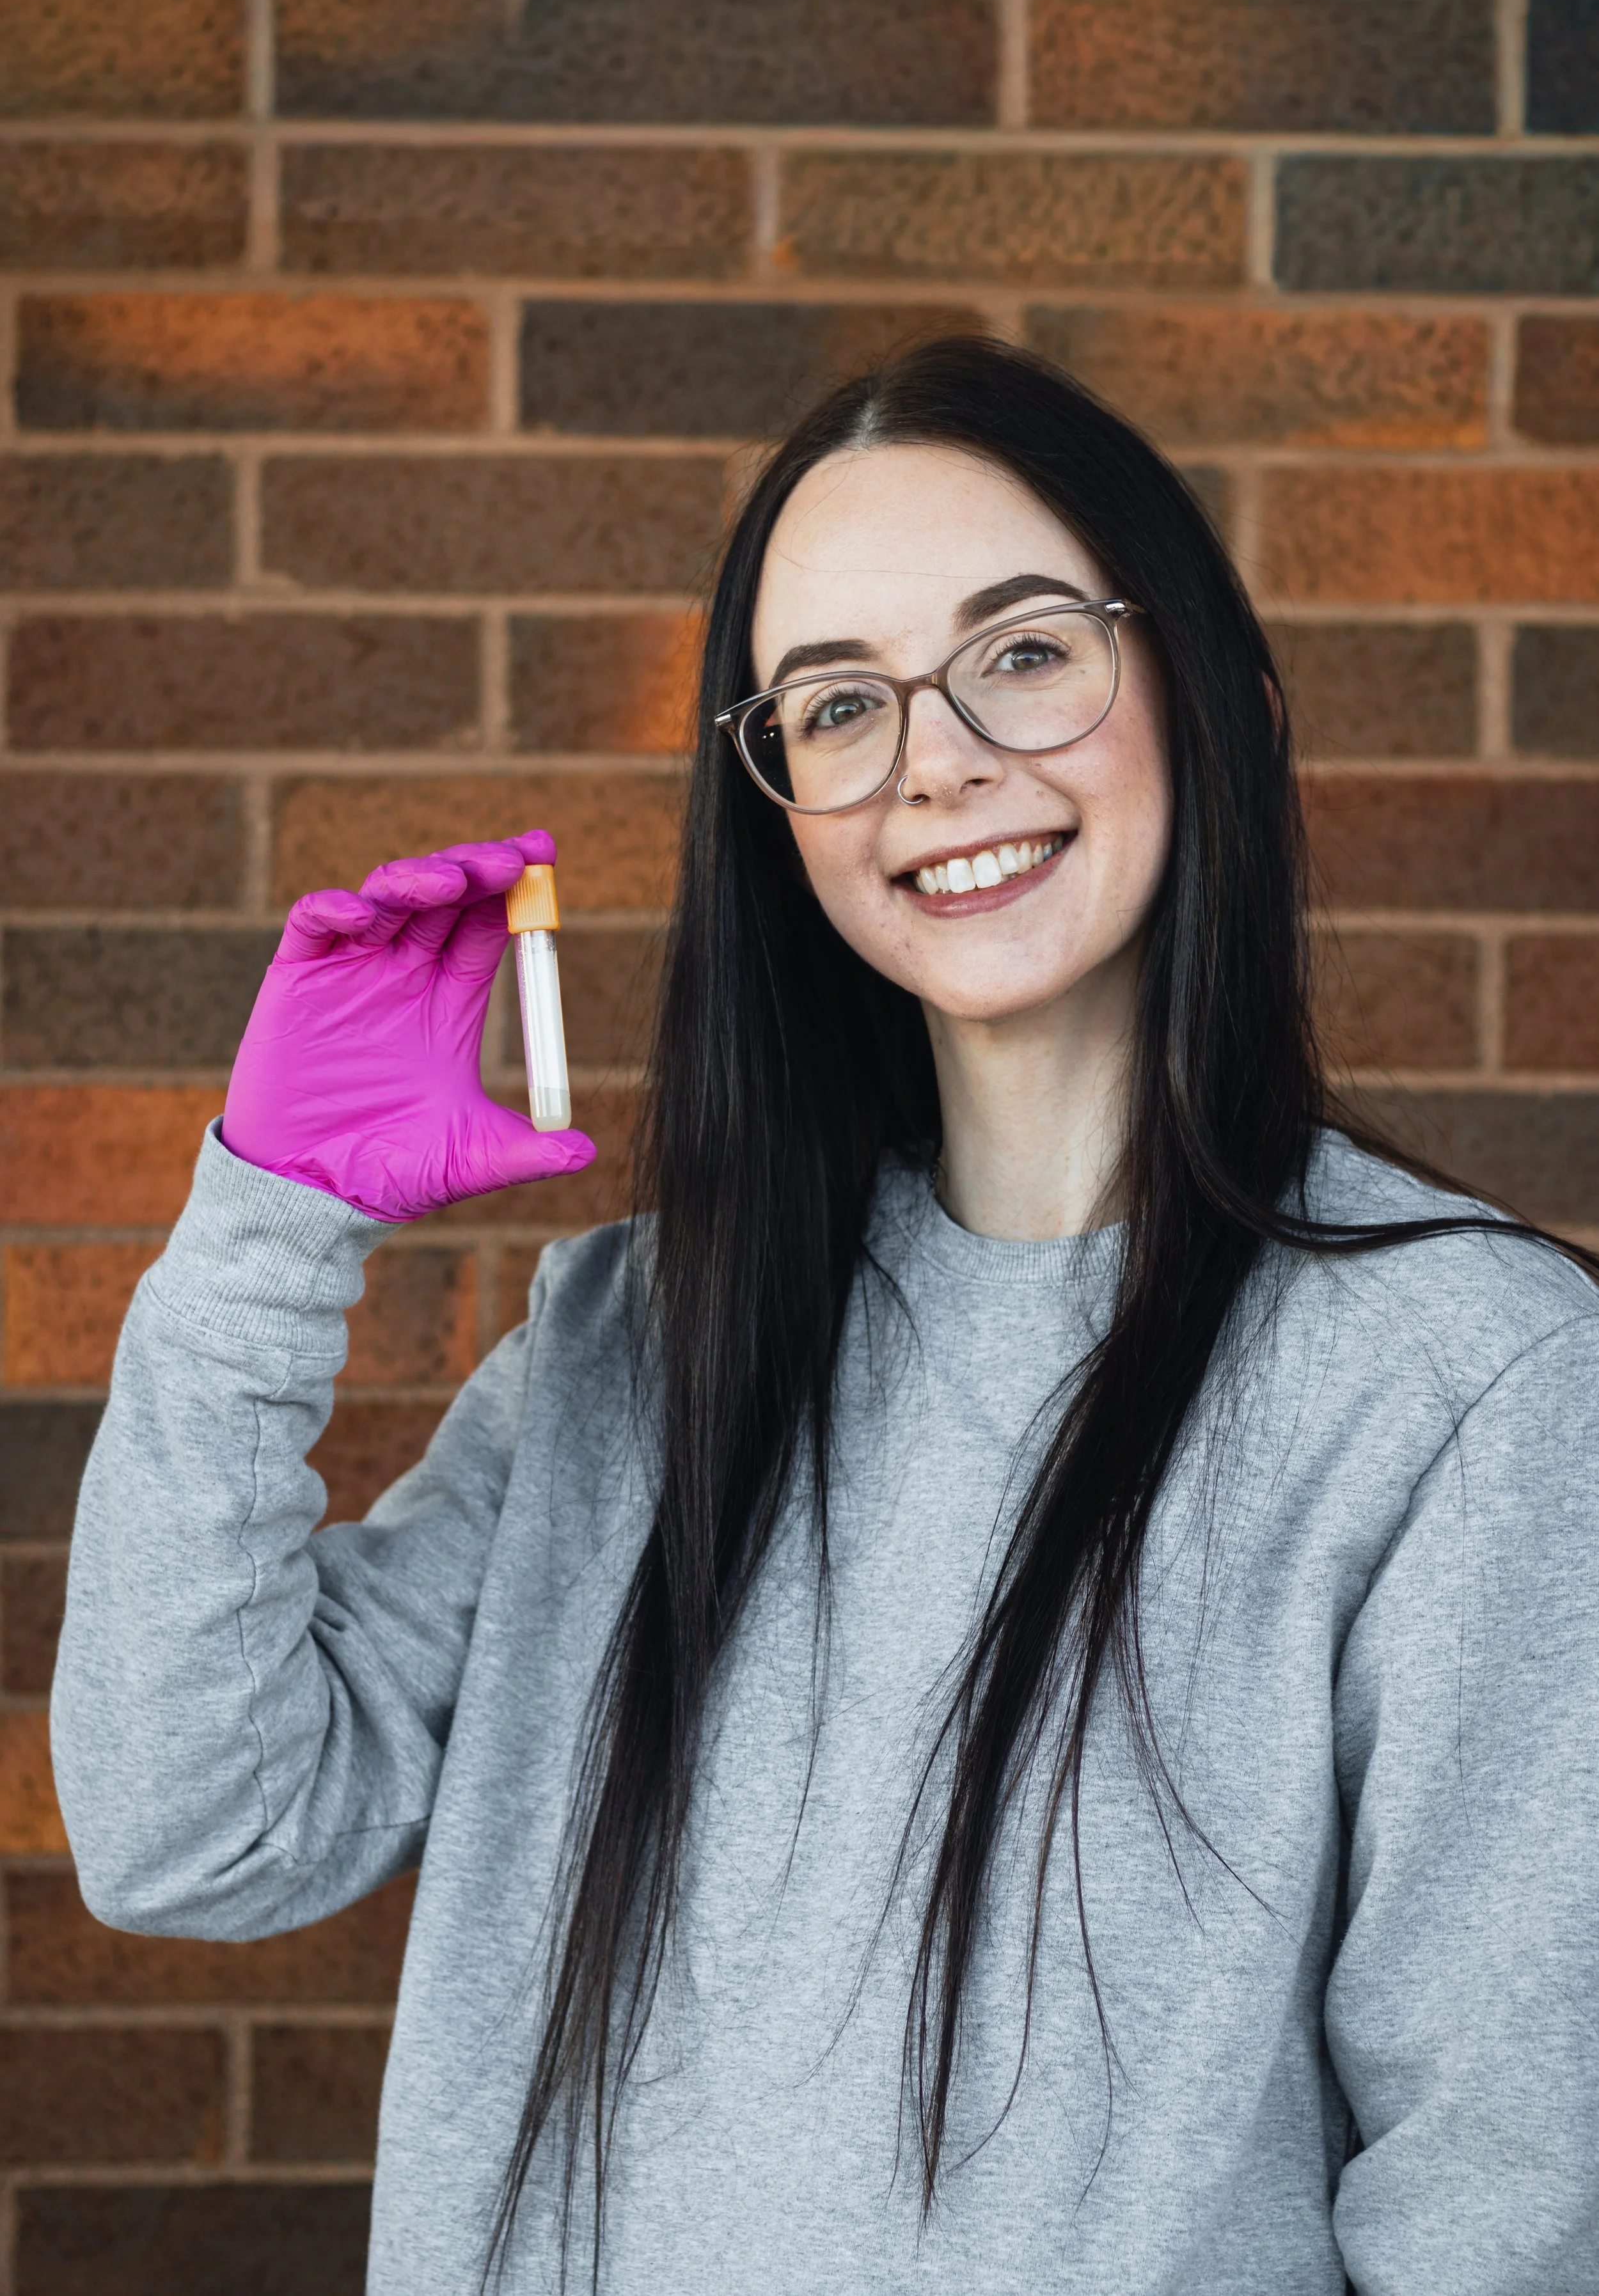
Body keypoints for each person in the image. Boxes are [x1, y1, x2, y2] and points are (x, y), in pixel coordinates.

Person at [52, 338, 1599, 2294]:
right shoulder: (632, 1345)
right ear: (777, 804)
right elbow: (193, 1825)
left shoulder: (1467, 1388)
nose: (933, 756)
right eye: (837, 702)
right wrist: (271, 1223)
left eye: (1025, 651)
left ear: (1217, 701)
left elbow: (1507, 2204)